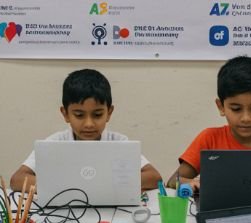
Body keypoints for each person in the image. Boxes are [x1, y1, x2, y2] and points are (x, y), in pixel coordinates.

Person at [9, 68, 161, 191]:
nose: (89, 124)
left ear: (109, 113)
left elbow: (154, 177)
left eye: (97, 114)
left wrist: (99, 183)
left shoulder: (120, 143)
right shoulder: (54, 143)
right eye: (79, 115)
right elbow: (17, 180)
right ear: (65, 114)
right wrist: (73, 185)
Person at [169, 55, 251, 190]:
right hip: (220, 211)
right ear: (221, 107)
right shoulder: (209, 139)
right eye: (236, 109)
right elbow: (172, 181)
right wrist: (190, 183)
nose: (246, 118)